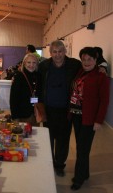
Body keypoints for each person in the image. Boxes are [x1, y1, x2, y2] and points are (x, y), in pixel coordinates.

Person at [38, 40, 81, 176]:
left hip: (65, 111)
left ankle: (59, 165)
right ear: (50, 53)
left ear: (65, 51)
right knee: (48, 138)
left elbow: (88, 70)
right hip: (48, 110)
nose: (58, 55)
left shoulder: (74, 65)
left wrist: (101, 69)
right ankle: (49, 162)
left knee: (63, 140)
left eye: (60, 51)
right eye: (55, 52)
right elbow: (36, 82)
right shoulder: (44, 66)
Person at [69, 47, 110, 190]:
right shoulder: (79, 72)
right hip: (76, 116)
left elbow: (104, 101)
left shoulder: (101, 77)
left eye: (90, 59)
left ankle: (78, 179)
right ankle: (85, 173)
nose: (86, 62)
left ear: (95, 60)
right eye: (84, 59)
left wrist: (99, 120)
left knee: (83, 149)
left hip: (89, 119)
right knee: (82, 148)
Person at [9, 53, 41, 126]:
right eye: (28, 62)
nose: (31, 65)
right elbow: (13, 98)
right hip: (22, 115)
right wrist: (15, 117)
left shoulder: (38, 76)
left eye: (34, 63)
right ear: (24, 63)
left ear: (37, 64)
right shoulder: (18, 76)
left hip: (35, 114)